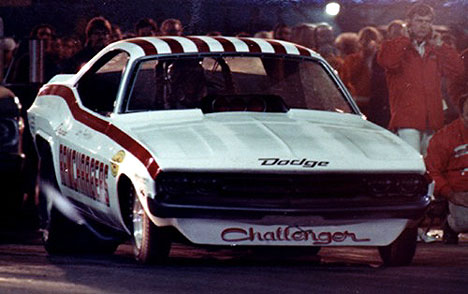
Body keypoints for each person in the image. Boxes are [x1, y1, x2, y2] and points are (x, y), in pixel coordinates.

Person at [377, 3, 463, 155]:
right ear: (409, 22)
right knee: (412, 166)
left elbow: (457, 70)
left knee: (431, 166)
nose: (423, 25)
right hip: (407, 120)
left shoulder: (435, 49)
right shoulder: (392, 46)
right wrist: (404, 39)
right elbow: (388, 62)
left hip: (433, 120)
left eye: (427, 21)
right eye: (419, 21)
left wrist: (441, 45)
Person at [425, 94, 468, 244]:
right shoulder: (444, 138)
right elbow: (432, 172)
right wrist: (450, 194)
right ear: (461, 115)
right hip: (458, 195)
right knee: (465, 221)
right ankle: (449, 224)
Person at [340, 26, 382, 115]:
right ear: (359, 41)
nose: (366, 42)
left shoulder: (381, 61)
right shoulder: (351, 60)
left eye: (371, 39)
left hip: (375, 105)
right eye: (364, 39)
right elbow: (346, 80)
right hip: (356, 103)